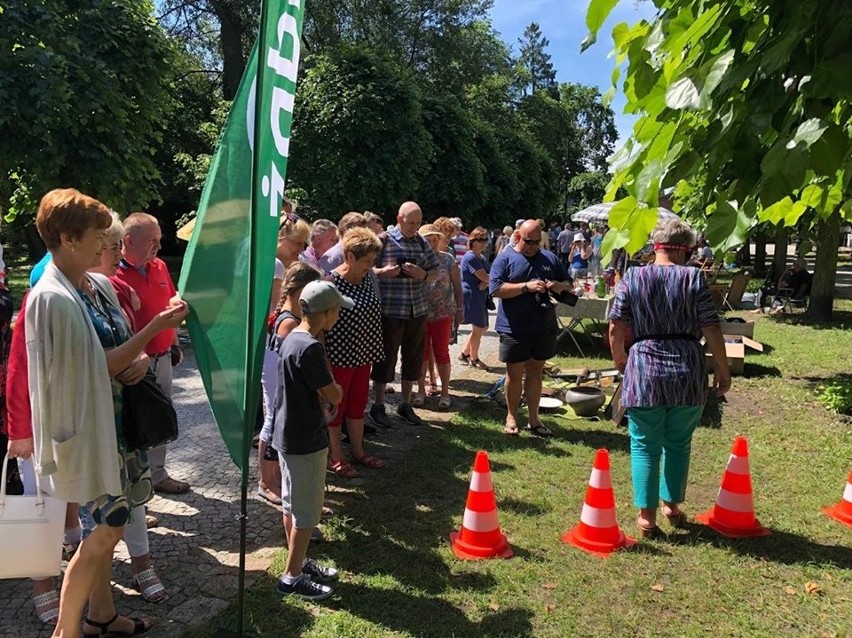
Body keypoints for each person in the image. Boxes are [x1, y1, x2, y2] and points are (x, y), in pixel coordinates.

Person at [23, 188, 188, 636]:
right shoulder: (51, 297)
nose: (106, 245)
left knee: (112, 522)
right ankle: (66, 631)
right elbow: (99, 364)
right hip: (87, 434)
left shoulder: (94, 286)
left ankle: (101, 615)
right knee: (108, 526)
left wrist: (136, 360)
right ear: (67, 238)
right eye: (98, 236)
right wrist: (155, 330)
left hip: (118, 428)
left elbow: (119, 349)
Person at [608, 219, 731, 538]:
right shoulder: (694, 279)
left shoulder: (633, 277)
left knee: (644, 443)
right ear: (687, 249)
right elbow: (711, 327)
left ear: (655, 246)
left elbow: (616, 325)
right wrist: (722, 368)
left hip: (645, 366)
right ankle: (671, 505)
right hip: (687, 368)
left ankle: (646, 517)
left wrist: (620, 357)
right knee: (678, 442)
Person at [273, 280, 348, 600]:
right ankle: (291, 576)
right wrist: (336, 393)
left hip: (287, 433)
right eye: (337, 312)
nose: (338, 318)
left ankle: (299, 562)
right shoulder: (311, 347)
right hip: (306, 437)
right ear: (327, 312)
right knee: (306, 510)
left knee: (291, 503)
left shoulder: (293, 337)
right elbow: (333, 392)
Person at [114, 212, 188, 496]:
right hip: (133, 365)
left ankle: (157, 474)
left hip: (162, 356)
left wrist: (175, 343)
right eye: (151, 241)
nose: (158, 246)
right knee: (136, 421)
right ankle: (137, 484)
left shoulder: (158, 266)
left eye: (159, 240)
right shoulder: (113, 275)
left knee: (161, 416)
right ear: (128, 241)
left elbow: (170, 300)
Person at [489, 220, 574, 437]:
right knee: (514, 374)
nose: (533, 246)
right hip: (514, 327)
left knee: (536, 372)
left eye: (537, 242)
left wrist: (558, 285)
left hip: (543, 325)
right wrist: (525, 287)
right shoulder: (505, 259)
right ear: (518, 237)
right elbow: (496, 289)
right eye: (529, 241)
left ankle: (534, 420)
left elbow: (569, 284)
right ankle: (511, 417)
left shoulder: (550, 258)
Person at [368, 201, 440, 427]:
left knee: (413, 358)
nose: (415, 228)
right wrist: (383, 272)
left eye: (418, 223)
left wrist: (423, 275)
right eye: (411, 223)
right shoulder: (383, 240)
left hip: (416, 310)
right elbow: (364, 269)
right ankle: (378, 406)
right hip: (389, 310)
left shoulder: (421, 242)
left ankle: (405, 404)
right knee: (385, 358)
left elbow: (436, 270)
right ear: (399, 219)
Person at [258, 213, 312, 503]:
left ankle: (272, 478)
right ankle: (267, 481)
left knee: (273, 411)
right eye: (298, 243)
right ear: (281, 238)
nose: (301, 250)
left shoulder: (268, 259)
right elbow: (281, 306)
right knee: (274, 413)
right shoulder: (277, 264)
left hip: (267, 343)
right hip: (273, 344)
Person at [324, 229, 386, 475]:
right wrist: (325, 361)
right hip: (339, 356)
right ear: (349, 256)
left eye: (373, 261)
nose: (371, 266)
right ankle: (336, 455)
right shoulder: (330, 282)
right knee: (337, 405)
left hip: (365, 353)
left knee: (358, 403)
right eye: (367, 261)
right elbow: (320, 326)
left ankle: (359, 451)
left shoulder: (369, 277)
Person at [259, 262, 322, 501]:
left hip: (278, 373)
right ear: (300, 289)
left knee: (274, 421)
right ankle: (266, 482)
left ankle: (277, 480)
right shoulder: (289, 321)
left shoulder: (291, 314)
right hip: (278, 375)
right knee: (273, 422)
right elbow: (288, 357)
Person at [414, 224, 463, 409]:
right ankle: (420, 390)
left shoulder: (448, 260)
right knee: (422, 353)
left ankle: (445, 393)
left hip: (443, 314)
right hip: (420, 314)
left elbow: (457, 285)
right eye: (428, 240)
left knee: (442, 352)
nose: (432, 243)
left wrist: (460, 309)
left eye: (435, 239)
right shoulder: (417, 261)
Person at [458, 227, 491, 372]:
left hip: (480, 294)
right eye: (481, 239)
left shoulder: (481, 257)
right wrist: (487, 280)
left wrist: (487, 281)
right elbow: (485, 277)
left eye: (486, 239)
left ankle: (465, 353)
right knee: (479, 327)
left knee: (482, 327)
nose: (484, 243)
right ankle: (474, 358)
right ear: (473, 241)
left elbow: (489, 276)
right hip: (472, 295)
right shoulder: (470, 257)